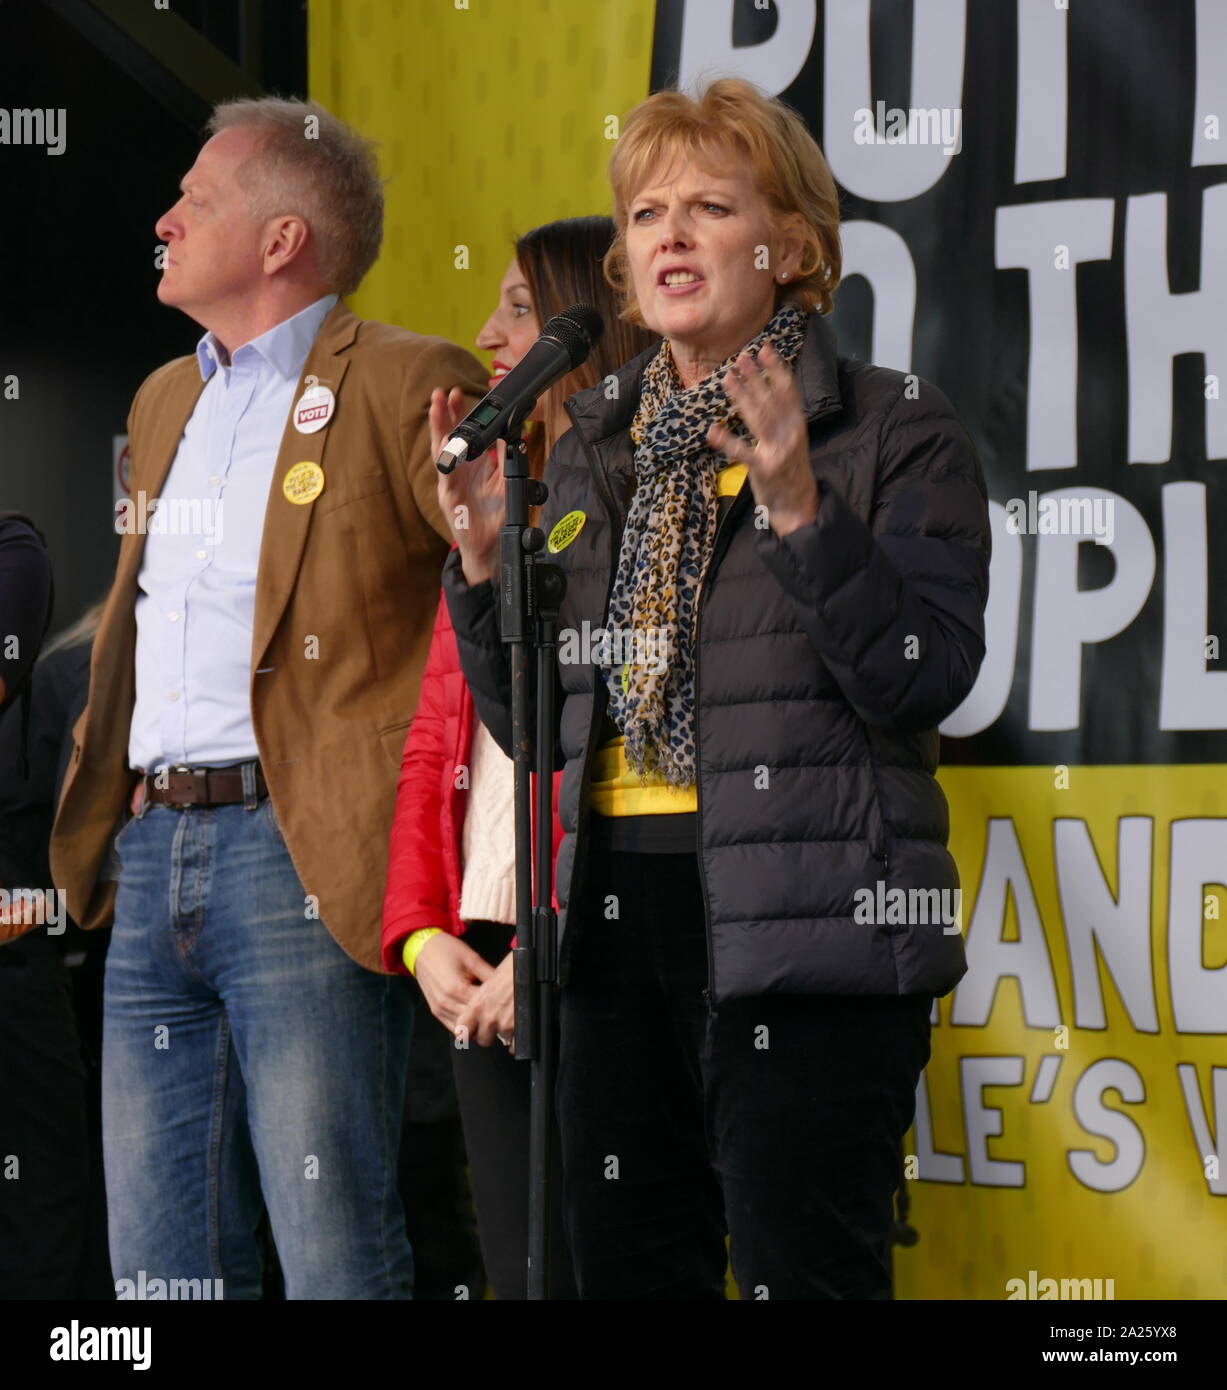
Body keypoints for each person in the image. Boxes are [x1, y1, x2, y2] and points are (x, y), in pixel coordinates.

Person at [439, 77, 991, 1300]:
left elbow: (925, 677)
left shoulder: (893, 428)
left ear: (789, 248)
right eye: (645, 214)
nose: (669, 235)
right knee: (634, 1274)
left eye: (707, 206)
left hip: (803, 929)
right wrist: (483, 578)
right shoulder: (590, 445)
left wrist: (800, 509)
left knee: (808, 1274)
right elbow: (534, 733)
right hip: (610, 927)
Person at [46, 97, 488, 1299]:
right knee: (160, 1271)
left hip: (302, 859)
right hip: (150, 855)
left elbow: (486, 604)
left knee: (333, 1248)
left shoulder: (411, 381)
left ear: (282, 238)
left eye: (194, 199)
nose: (163, 219)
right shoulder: (157, 400)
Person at [382, 216, 656, 1300]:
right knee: (518, 1265)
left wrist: (537, 958)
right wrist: (418, 937)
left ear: (590, 327)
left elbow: (607, 752)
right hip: (478, 941)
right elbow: (432, 752)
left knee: (619, 1257)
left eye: (521, 309)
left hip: (584, 936)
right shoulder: (500, 506)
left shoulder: (634, 499)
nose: (490, 332)